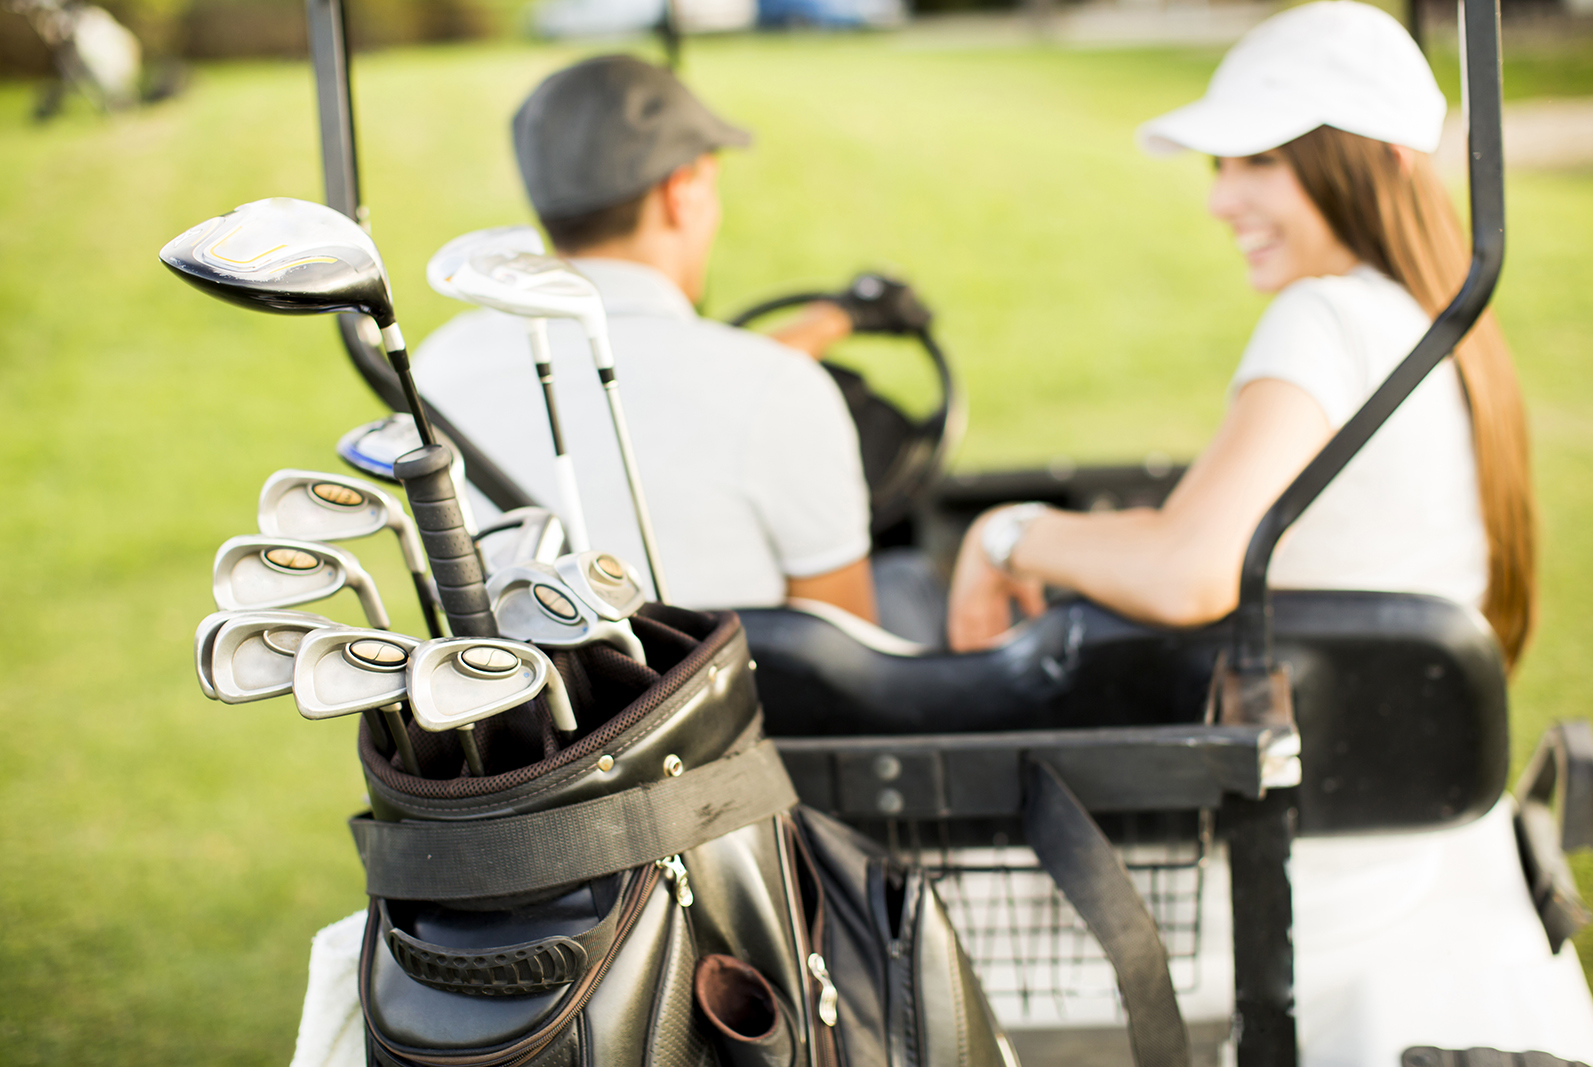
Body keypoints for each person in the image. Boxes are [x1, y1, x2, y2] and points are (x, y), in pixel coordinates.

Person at [946, 0, 1534, 673]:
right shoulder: (1419, 320)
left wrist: (1003, 535)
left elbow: (1186, 570)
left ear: (1387, 161)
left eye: (1262, 161)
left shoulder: (1327, 317)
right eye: (1220, 167)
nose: (1220, 202)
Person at [414, 54, 876, 619]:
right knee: (910, 581)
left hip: (536, 703)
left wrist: (829, 322)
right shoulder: (779, 390)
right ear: (682, 191)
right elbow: (846, 656)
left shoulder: (435, 372)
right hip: (740, 702)